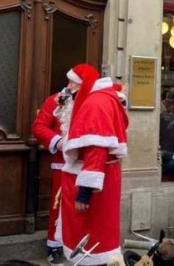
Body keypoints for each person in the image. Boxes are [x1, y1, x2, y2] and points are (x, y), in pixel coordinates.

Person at [61, 70, 129, 265]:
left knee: (92, 237)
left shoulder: (96, 103)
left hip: (95, 178)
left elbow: (97, 147)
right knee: (102, 232)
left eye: (72, 83)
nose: (69, 87)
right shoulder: (105, 99)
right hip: (106, 175)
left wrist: (84, 192)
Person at [32, 64, 94, 266]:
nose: (69, 86)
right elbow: (39, 127)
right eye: (69, 81)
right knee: (59, 206)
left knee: (86, 206)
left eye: (73, 82)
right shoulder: (55, 100)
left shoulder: (91, 103)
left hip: (87, 164)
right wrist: (57, 141)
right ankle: (54, 246)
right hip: (62, 164)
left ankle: (79, 244)